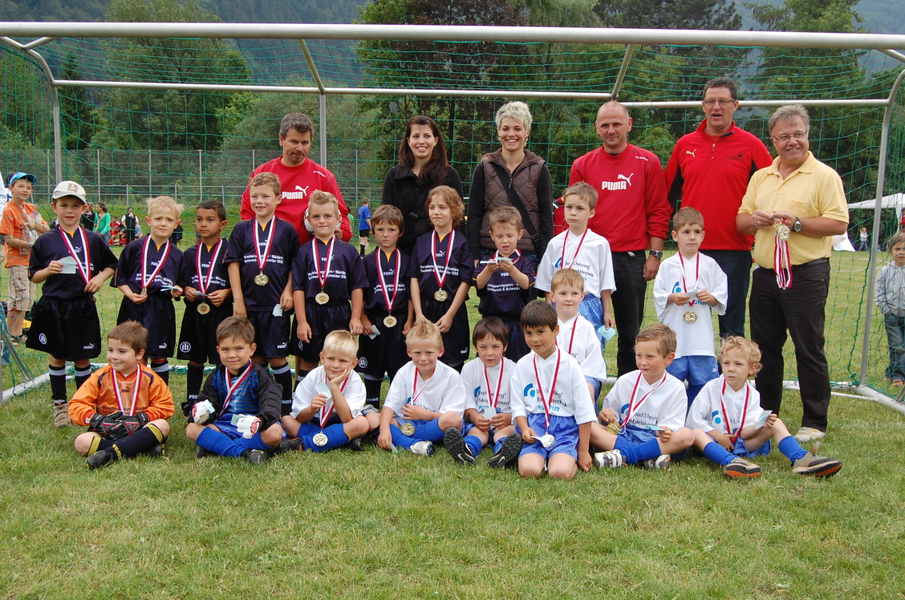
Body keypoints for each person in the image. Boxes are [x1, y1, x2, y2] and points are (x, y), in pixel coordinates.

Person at [737, 105, 849, 444]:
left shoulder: (825, 176)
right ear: (773, 140)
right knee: (764, 349)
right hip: (765, 275)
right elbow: (741, 221)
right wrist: (755, 220)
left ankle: (814, 420)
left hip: (806, 274)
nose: (792, 141)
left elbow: (838, 223)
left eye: (798, 134)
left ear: (807, 135)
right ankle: (767, 415)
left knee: (808, 347)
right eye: (784, 136)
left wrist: (797, 223)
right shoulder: (761, 177)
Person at [665, 77, 773, 338]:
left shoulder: (751, 145)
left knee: (732, 326)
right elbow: (666, 197)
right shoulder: (684, 145)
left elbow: (773, 189)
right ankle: (686, 364)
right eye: (711, 101)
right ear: (703, 106)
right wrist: (657, 244)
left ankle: (730, 367)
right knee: (685, 320)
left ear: (734, 105)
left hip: (734, 251)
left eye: (723, 101)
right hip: (691, 249)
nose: (716, 107)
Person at [569, 101, 671, 376]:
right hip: (589, 258)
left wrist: (655, 255)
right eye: (605, 125)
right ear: (597, 128)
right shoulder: (582, 165)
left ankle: (629, 385)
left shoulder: (648, 162)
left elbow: (659, 210)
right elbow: (572, 211)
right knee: (584, 326)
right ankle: (582, 382)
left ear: (629, 125)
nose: (611, 130)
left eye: (616, 124)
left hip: (630, 259)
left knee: (630, 332)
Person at [28, 181, 118, 428]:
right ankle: (59, 405)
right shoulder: (45, 240)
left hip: (82, 306)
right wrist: (47, 271)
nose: (70, 210)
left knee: (82, 358)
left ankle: (83, 405)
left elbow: (112, 264)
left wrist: (99, 278)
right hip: (54, 305)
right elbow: (33, 275)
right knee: (57, 356)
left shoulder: (93, 239)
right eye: (64, 205)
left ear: (84, 208)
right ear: (54, 207)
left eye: (75, 206)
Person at [687, 336, 843, 479]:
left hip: (739, 442)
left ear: (752, 368)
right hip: (713, 442)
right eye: (726, 363)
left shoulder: (753, 394)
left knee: (775, 422)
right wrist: (718, 436)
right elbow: (693, 422)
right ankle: (731, 462)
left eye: (738, 364)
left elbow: (745, 433)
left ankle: (801, 458)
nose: (731, 368)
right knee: (696, 433)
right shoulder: (711, 387)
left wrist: (762, 423)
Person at [225, 172, 298, 414]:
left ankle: (286, 408)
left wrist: (288, 290)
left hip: (275, 305)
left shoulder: (287, 230)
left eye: (265, 196)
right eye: (255, 196)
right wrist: (238, 300)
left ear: (278, 199)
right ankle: (258, 405)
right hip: (248, 306)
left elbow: (293, 265)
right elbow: (233, 264)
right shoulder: (241, 229)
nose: (259, 201)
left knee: (277, 357)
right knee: (254, 357)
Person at [70, 322, 174, 470]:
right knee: (81, 442)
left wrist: (141, 419)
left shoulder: (150, 377)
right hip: (107, 431)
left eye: (122, 351)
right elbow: (76, 405)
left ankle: (109, 454)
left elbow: (165, 406)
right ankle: (143, 448)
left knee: (162, 426)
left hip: (140, 430)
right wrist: (97, 420)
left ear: (139, 354)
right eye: (110, 350)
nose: (114, 356)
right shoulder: (100, 376)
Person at [590, 324, 694, 470]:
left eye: (650, 357)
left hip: (654, 439)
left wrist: (665, 430)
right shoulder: (625, 381)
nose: (643, 362)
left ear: (669, 358)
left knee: (687, 435)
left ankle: (623, 456)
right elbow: (611, 417)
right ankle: (648, 456)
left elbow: (671, 427)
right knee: (589, 427)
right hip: (623, 435)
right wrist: (607, 415)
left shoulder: (676, 388)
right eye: (639, 355)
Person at [510, 300, 594, 479]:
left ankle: (566, 459)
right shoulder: (522, 365)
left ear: (555, 330)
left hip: (565, 428)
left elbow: (584, 410)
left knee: (559, 472)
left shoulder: (570, 365)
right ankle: (539, 459)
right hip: (535, 426)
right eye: (528, 333)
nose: (534, 339)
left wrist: (583, 451)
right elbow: (518, 405)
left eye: (541, 332)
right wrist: (524, 428)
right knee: (529, 470)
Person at [653, 207, 727, 405]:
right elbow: (658, 294)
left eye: (696, 232)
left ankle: (698, 418)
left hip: (701, 341)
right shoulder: (667, 266)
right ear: (675, 236)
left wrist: (711, 298)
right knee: (671, 386)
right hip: (676, 338)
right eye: (686, 232)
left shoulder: (710, 264)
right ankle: (672, 416)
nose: (692, 237)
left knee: (703, 387)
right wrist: (671, 297)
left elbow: (721, 294)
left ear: (703, 236)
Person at [184, 316, 283, 464]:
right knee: (192, 429)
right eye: (225, 349)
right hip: (226, 426)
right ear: (218, 350)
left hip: (254, 426)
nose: (232, 355)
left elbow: (271, 403)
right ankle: (244, 453)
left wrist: (260, 421)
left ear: (252, 349)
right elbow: (207, 402)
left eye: (239, 349)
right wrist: (200, 413)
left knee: (274, 433)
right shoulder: (217, 376)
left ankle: (218, 447)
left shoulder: (260, 376)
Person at [240, 113, 351, 245]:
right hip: (271, 250)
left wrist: (342, 232)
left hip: (310, 252)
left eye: (305, 143)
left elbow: (342, 214)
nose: (299, 148)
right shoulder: (262, 174)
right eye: (294, 142)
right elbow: (247, 213)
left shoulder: (323, 176)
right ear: (281, 140)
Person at [291, 191, 367, 383]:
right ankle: (303, 397)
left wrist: (355, 317)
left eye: (327, 216)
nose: (322, 221)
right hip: (311, 313)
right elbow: (298, 288)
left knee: (339, 359)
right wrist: (301, 321)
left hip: (340, 311)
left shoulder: (348, 251)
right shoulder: (303, 251)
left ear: (338, 218)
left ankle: (339, 397)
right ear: (309, 220)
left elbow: (357, 287)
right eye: (316, 216)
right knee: (308, 360)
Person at [468, 101, 553, 264]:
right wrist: (475, 255)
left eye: (517, 128)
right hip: (489, 251)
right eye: (505, 128)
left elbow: (546, 219)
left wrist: (544, 258)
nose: (511, 134)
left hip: (528, 254)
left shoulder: (539, 168)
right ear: (498, 131)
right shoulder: (484, 168)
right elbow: (474, 216)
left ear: (527, 132)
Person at [112, 196, 184, 385]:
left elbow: (179, 285)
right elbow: (120, 278)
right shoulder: (133, 247)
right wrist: (130, 294)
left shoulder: (178, 255)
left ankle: (160, 396)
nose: (163, 223)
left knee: (159, 355)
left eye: (169, 220)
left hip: (161, 309)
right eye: (158, 218)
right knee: (135, 353)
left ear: (176, 224)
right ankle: (135, 395)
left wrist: (177, 291)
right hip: (133, 306)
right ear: (148, 220)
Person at [536, 181, 615, 348]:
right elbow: (546, 281)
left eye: (580, 208)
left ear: (591, 212)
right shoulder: (555, 243)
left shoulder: (600, 244)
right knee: (559, 347)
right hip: (559, 303)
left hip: (590, 304)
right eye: (569, 207)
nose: (573, 212)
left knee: (589, 347)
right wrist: (550, 308)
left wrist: (607, 312)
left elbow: (606, 282)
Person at [377, 318, 465, 456]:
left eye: (429, 353)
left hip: (435, 423)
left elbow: (453, 417)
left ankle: (404, 439)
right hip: (408, 422)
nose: (423, 358)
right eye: (417, 353)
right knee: (380, 419)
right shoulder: (404, 371)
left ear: (440, 351)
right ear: (409, 352)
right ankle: (415, 445)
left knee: (452, 420)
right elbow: (390, 405)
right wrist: (384, 431)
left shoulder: (451, 376)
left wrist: (426, 415)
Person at [410, 185, 474, 370]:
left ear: (454, 211)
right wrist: (419, 314)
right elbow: (414, 278)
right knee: (424, 361)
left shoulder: (462, 243)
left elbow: (465, 281)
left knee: (452, 363)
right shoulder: (421, 242)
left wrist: (450, 315)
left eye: (442, 207)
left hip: (452, 310)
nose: (436, 212)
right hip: (425, 310)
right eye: (432, 207)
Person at [443, 317, 522, 468]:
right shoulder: (469, 368)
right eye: (483, 347)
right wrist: (475, 417)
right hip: (480, 421)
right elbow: (466, 400)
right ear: (476, 347)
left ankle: (502, 453)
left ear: (505, 346)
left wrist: (509, 417)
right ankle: (466, 450)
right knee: (477, 433)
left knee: (505, 433)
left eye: (495, 347)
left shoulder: (514, 369)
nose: (489, 353)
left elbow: (520, 403)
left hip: (504, 422)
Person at [357, 204, 413, 411]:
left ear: (400, 232)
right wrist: (363, 319)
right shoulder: (366, 262)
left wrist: (410, 320)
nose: (386, 234)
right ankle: (371, 409)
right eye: (380, 229)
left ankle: (397, 412)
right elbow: (360, 294)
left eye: (391, 229)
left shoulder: (407, 261)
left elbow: (411, 294)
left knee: (400, 368)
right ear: (372, 232)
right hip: (374, 322)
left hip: (401, 321)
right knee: (373, 367)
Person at [381, 115, 464, 255]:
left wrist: (460, 253)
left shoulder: (450, 175)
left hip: (440, 253)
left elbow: (458, 220)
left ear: (435, 140)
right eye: (416, 136)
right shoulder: (394, 176)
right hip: (403, 253)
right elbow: (386, 218)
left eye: (427, 136)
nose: (421, 141)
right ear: (408, 141)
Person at [280, 330, 372, 453]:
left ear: (354, 363)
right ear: (322, 357)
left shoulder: (355, 381)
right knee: (287, 421)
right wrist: (311, 409)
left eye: (343, 361)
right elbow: (300, 417)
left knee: (361, 423)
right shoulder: (313, 376)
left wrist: (334, 387)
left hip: (341, 423)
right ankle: (339, 440)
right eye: (331, 358)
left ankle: (303, 443)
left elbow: (347, 419)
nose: (335, 365)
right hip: (315, 422)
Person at [177, 200, 232, 406]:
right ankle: (192, 401)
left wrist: (227, 292)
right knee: (195, 357)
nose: (203, 224)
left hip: (221, 313)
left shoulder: (230, 251)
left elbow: (239, 282)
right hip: (195, 313)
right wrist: (186, 290)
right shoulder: (189, 253)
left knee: (221, 357)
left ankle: (221, 399)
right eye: (199, 219)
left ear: (222, 224)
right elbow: (180, 282)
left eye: (210, 220)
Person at [473, 206, 535, 361]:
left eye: (509, 235)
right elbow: (478, 284)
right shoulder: (486, 261)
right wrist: (488, 271)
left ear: (519, 234)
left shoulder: (524, 262)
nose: (505, 240)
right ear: (492, 236)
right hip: (491, 323)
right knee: (490, 362)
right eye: (500, 236)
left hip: (517, 324)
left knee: (517, 364)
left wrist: (512, 270)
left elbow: (526, 284)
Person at [0, 172, 49, 344]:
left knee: (28, 299)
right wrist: (31, 244)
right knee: (19, 297)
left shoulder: (30, 209)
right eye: (20, 186)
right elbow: (8, 239)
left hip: (32, 261)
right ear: (11, 188)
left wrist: (35, 225)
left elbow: (46, 229)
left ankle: (19, 332)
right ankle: (12, 334)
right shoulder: (8, 210)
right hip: (17, 261)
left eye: (28, 187)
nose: (25, 190)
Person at [550, 269, 607, 410]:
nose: (569, 299)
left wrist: (575, 378)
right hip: (550, 375)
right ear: (552, 296)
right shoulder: (546, 326)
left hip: (582, 376)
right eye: (563, 293)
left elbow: (593, 363)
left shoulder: (587, 328)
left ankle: (588, 421)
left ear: (582, 297)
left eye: (574, 294)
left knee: (586, 388)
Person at [875, 233, 905, 386]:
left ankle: (896, 373)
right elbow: (879, 292)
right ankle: (896, 376)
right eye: (897, 249)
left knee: (901, 347)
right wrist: (886, 310)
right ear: (891, 250)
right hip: (892, 315)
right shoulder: (885, 271)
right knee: (896, 346)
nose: (901, 252)